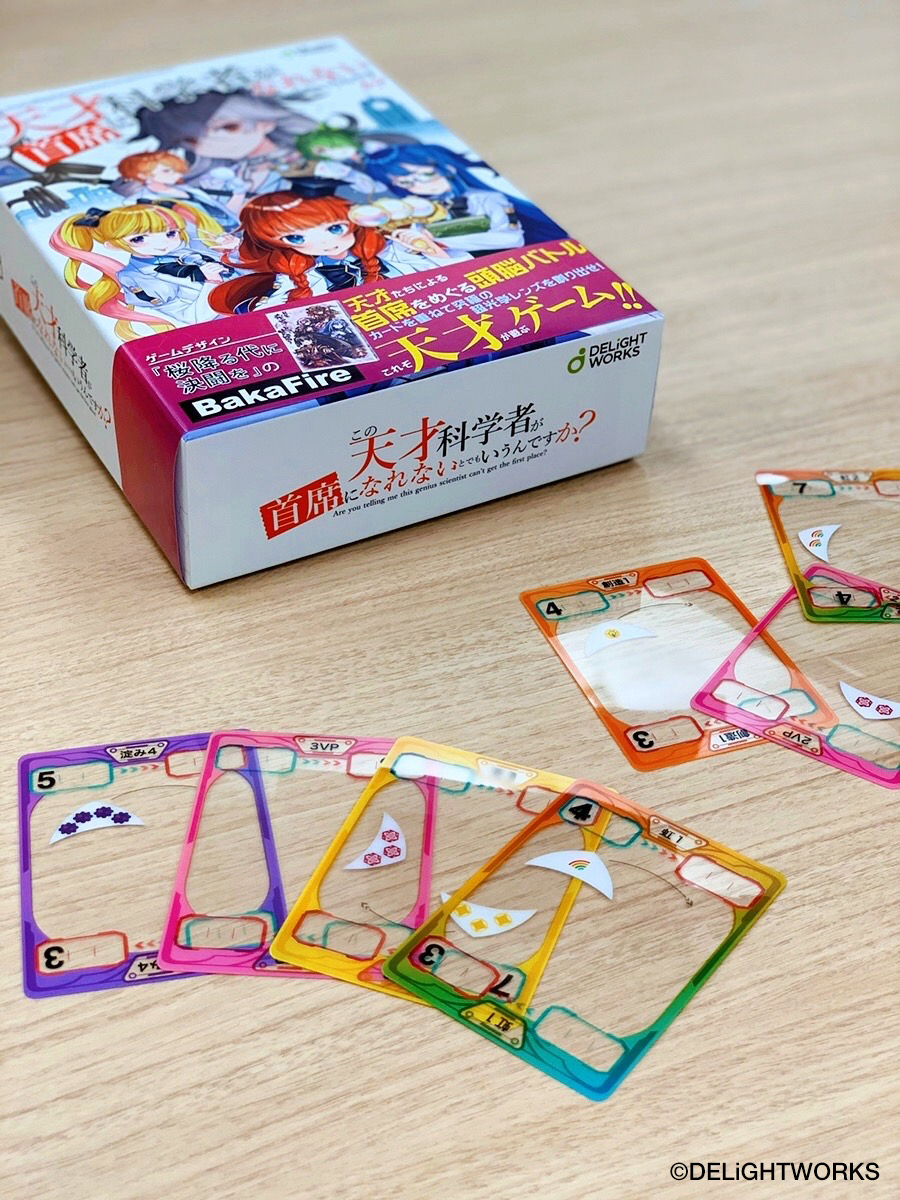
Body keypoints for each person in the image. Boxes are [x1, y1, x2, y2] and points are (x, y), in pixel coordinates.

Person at [209, 187, 470, 314]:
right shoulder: (299, 271)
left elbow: (457, 281)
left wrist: (431, 250)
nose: (324, 242)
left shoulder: (387, 248)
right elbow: (278, 308)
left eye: (334, 228)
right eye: (296, 237)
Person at [50, 200, 238, 338]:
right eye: (139, 239)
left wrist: (234, 249)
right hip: (226, 330)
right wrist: (211, 282)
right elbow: (195, 318)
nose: (162, 243)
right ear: (113, 245)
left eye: (171, 233)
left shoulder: (186, 249)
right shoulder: (136, 277)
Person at [363, 142, 567, 255]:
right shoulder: (422, 209)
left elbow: (512, 238)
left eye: (425, 175)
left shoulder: (485, 199)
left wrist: (438, 240)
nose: (419, 185)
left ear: (448, 168)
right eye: (406, 182)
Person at [111, 151, 238, 228]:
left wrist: (239, 192)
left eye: (177, 170)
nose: (176, 174)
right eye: (166, 171)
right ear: (143, 175)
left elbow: (225, 213)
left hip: (236, 232)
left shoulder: (186, 189)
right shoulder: (141, 202)